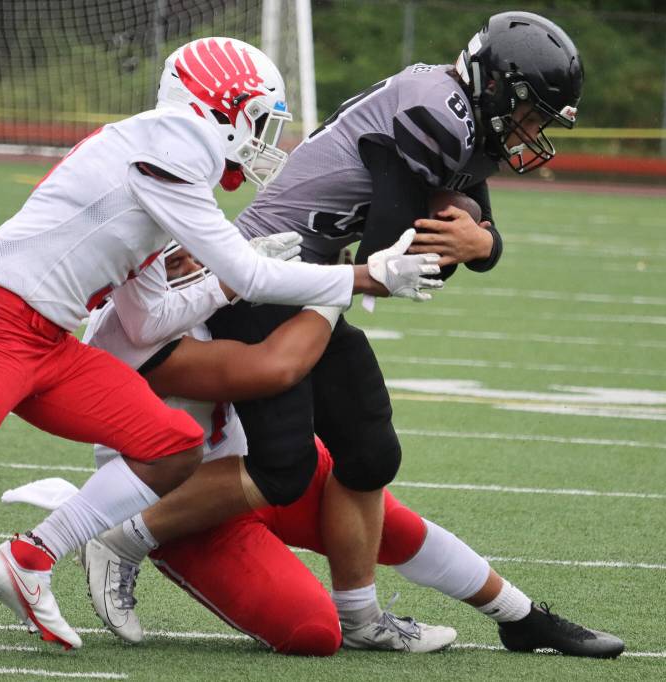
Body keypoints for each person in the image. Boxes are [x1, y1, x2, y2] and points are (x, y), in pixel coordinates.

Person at [0, 37, 441, 654]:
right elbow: (252, 274)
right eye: (257, 119)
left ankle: (31, 555)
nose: (262, 140)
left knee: (172, 444)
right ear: (221, 108)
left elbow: (152, 319)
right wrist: (366, 275)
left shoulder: (164, 163)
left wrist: (226, 285)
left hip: (47, 339)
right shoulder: (173, 146)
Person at [8, 237, 623, 658]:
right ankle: (124, 534)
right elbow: (271, 369)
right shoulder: (132, 333)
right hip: (184, 505)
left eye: (191, 239)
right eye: (169, 251)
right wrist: (338, 286)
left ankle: (521, 617)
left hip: (264, 464)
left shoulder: (217, 283)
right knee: (309, 632)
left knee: (374, 496)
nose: (191, 255)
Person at [203, 10, 586, 644]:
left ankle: (360, 619)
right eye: (529, 112)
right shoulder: (439, 112)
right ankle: (120, 534)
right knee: (283, 466)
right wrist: (469, 241)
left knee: (369, 453)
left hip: (311, 286)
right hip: (257, 279)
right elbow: (390, 259)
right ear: (498, 86)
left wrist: (481, 243)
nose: (531, 129)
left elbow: (468, 240)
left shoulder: (467, 118)